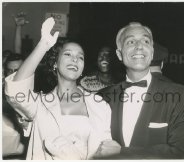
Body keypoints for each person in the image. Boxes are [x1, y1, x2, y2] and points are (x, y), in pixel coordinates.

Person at [5, 17, 112, 160]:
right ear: (55, 63)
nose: (75, 59)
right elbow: (15, 90)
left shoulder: (99, 105)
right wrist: (44, 44)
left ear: (82, 68)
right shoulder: (39, 104)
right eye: (68, 54)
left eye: (80, 57)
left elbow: (106, 152)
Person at [96, 22, 184, 159]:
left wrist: (122, 152)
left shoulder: (180, 96)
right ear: (119, 54)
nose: (139, 46)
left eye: (145, 41)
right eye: (130, 41)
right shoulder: (103, 97)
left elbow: (182, 152)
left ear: (152, 51)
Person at [2, 12, 29, 159]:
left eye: (17, 71)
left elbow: (18, 54)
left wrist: (18, 28)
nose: (13, 74)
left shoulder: (30, 89)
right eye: (10, 71)